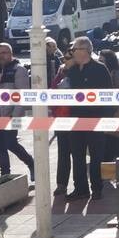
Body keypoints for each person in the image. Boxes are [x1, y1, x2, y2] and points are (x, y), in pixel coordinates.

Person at [63, 36, 113, 200]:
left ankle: (97, 188)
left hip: (95, 119)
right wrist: (65, 68)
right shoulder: (72, 70)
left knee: (96, 155)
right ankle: (80, 189)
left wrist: (105, 119)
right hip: (76, 120)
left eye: (74, 49)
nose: (71, 53)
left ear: (84, 51)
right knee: (77, 155)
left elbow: (108, 95)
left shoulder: (100, 69)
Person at [0, 43, 34, 181]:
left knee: (10, 143)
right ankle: (5, 175)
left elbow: (23, 95)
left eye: (5, 52)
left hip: (10, 114)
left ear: (11, 53)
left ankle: (31, 164)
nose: (2, 55)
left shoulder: (18, 70)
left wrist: (14, 115)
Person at [50, 49, 74, 197]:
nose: (65, 60)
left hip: (75, 117)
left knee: (79, 155)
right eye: (64, 58)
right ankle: (61, 184)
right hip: (60, 118)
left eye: (68, 58)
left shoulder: (79, 71)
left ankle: (84, 186)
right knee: (63, 153)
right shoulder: (60, 72)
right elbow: (52, 91)